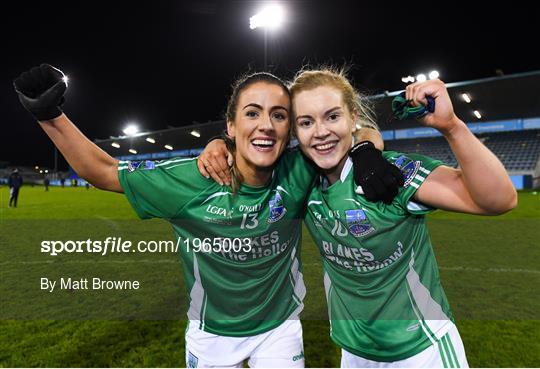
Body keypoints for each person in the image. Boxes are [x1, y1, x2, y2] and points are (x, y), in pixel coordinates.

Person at [13, 63, 400, 368]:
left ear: (289, 131)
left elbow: (349, 129)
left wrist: (366, 149)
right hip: (210, 334)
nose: (266, 124)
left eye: (279, 115)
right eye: (252, 113)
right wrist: (50, 115)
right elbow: (102, 170)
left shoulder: (299, 170)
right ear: (232, 125)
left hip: (279, 329)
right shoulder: (189, 180)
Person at [200, 67, 517, 368]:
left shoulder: (387, 175)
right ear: (294, 130)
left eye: (332, 116)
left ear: (352, 116)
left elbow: (499, 199)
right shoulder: (299, 179)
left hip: (422, 349)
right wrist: (219, 145)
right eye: (306, 122)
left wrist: (451, 127)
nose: (321, 131)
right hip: (354, 354)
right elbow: (250, 155)